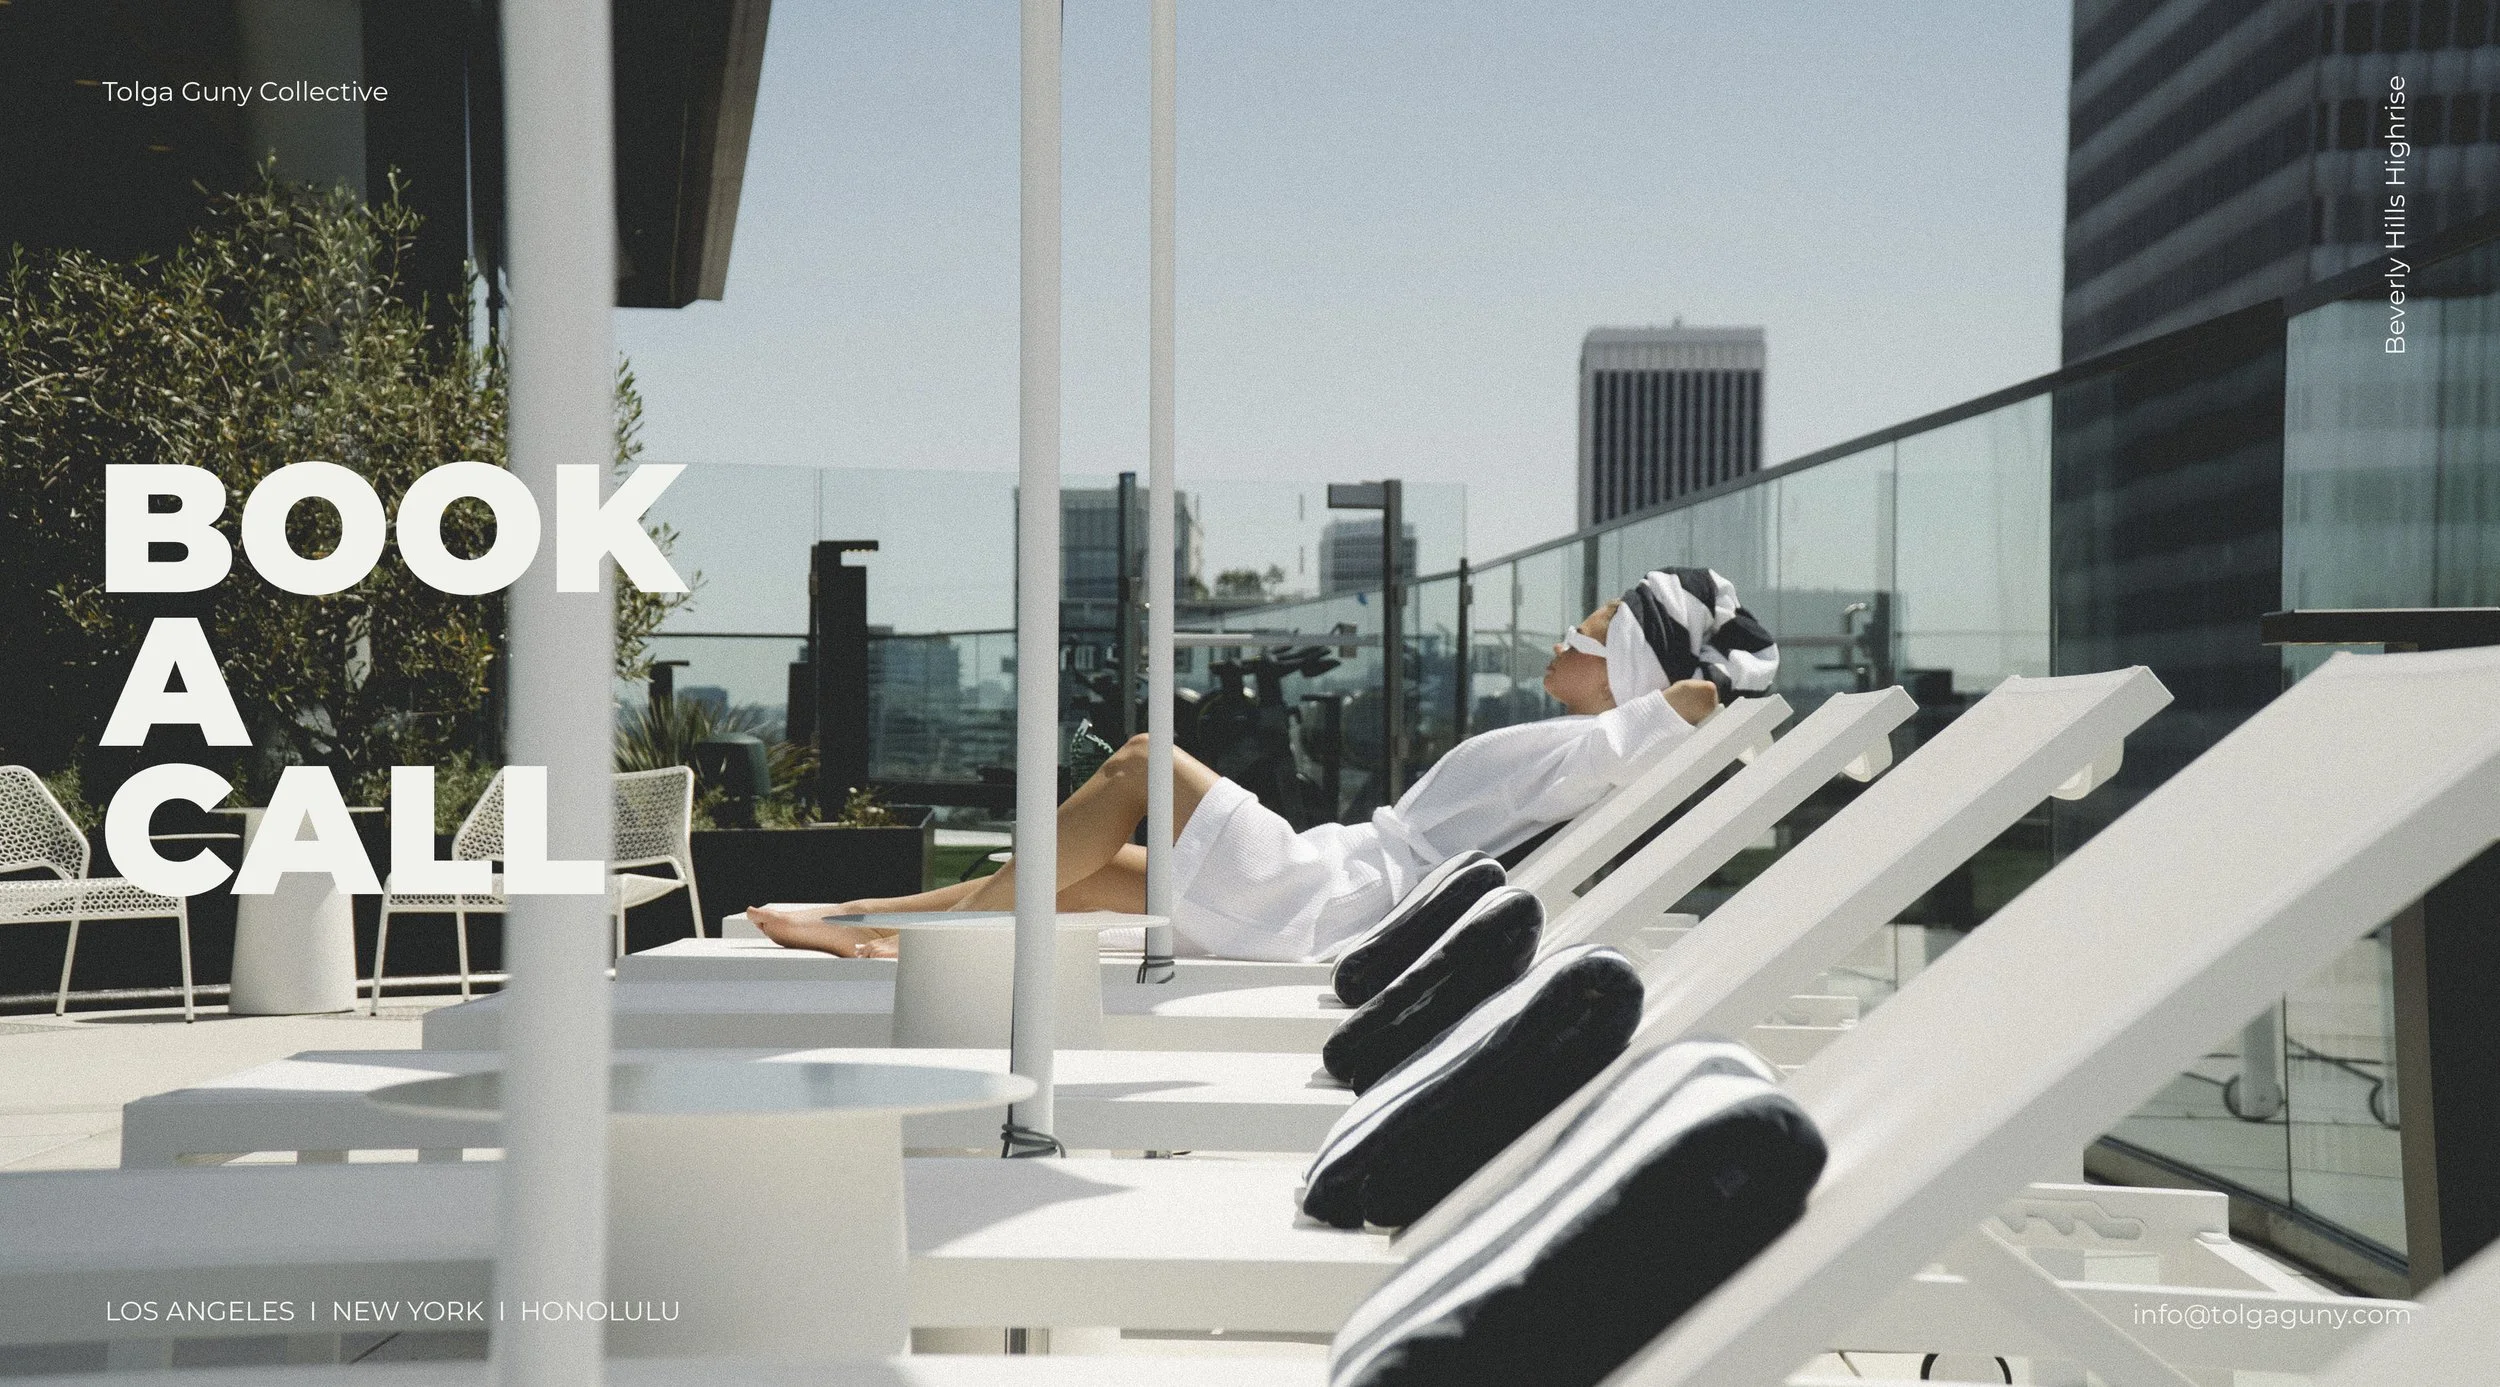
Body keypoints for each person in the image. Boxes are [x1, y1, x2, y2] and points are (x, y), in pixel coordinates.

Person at [747, 567, 1778, 963]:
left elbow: (1698, 699)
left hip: (1331, 900)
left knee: (1142, 765)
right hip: (1335, 878)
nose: (1566, 635)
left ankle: (903, 942)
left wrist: (1711, 668)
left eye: (1592, 626)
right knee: (1100, 873)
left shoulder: (1599, 751)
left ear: (1635, 657)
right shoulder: (1579, 752)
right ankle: (871, 915)